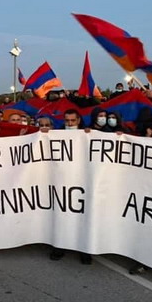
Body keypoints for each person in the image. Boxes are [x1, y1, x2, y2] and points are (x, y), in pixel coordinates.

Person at [50, 108, 92, 265]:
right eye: (67, 121)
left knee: (83, 216)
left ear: (78, 120)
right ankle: (60, 247)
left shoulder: (89, 135)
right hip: (63, 180)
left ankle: (84, 250)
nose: (70, 123)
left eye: (73, 121)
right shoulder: (57, 135)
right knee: (62, 215)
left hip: (82, 181)